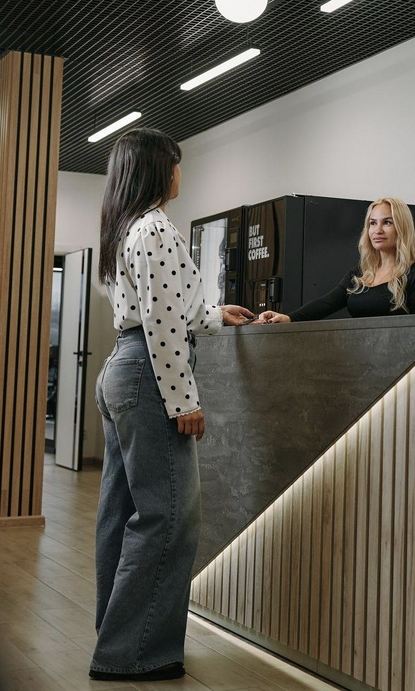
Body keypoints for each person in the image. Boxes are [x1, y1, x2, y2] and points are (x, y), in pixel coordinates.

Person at [91, 128, 254, 682]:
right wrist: (184, 400)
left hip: (124, 367)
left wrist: (214, 313)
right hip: (149, 372)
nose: (182, 171)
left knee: (120, 514)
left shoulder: (125, 228)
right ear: (158, 169)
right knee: (169, 516)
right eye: (176, 162)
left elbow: (160, 307)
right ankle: (133, 653)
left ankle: (115, 637)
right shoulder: (156, 228)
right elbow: (161, 324)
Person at [256, 197, 415, 323]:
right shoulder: (360, 275)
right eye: (372, 223)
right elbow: (326, 303)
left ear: (402, 228)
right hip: (359, 358)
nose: (377, 230)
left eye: (387, 222)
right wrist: (289, 318)